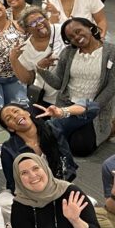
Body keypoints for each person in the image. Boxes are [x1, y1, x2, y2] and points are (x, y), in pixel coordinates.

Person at [36, 17, 115, 156]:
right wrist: (41, 69)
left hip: (93, 109)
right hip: (67, 106)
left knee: (80, 148)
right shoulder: (68, 52)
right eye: (71, 37)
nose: (76, 37)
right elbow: (59, 83)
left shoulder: (111, 52)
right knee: (50, 141)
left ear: (90, 27)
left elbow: (111, 87)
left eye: (78, 31)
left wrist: (91, 108)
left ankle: (110, 128)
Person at [0, 104, 76, 194]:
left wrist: (61, 112)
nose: (15, 116)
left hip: (60, 187)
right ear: (10, 128)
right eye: (9, 118)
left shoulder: (52, 129)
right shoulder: (8, 149)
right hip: (30, 195)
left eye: (16, 111)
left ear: (27, 113)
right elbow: (13, 183)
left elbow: (92, 109)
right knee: (1, 201)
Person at [9, 7, 64, 104]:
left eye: (40, 19)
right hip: (46, 99)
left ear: (46, 18)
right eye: (33, 23)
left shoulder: (62, 30)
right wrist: (13, 59)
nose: (39, 23)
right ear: (27, 29)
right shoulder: (25, 48)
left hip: (69, 94)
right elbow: (28, 79)